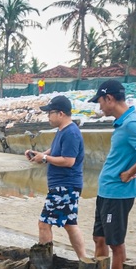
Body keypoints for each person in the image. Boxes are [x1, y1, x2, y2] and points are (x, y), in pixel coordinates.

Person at [88, 79, 136, 269]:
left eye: (100, 101)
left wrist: (130, 172)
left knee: (115, 243)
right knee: (99, 238)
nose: (99, 106)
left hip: (118, 194)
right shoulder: (122, 122)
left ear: (109, 98)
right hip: (107, 191)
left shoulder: (131, 123)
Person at [24, 95, 87, 259]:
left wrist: (44, 159)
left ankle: (44, 262)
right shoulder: (62, 131)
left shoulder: (71, 133)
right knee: (69, 224)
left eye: (50, 113)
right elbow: (54, 151)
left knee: (44, 224)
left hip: (65, 186)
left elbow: (68, 161)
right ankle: (84, 259)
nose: (48, 117)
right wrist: (38, 155)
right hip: (64, 186)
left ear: (61, 113)